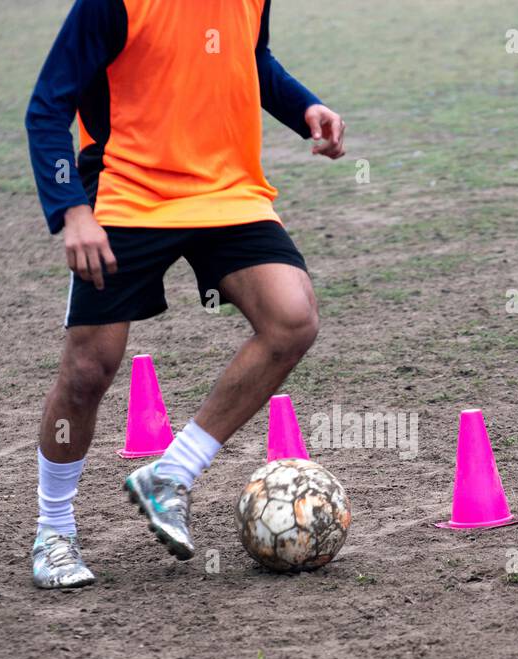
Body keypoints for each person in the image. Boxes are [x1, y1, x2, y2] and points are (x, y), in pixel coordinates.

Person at [24, 0, 345, 588]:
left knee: (291, 318)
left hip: (228, 191)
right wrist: (72, 209)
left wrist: (305, 107)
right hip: (128, 189)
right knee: (90, 369)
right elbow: (47, 105)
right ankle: (54, 531)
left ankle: (170, 474)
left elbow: (252, 58)